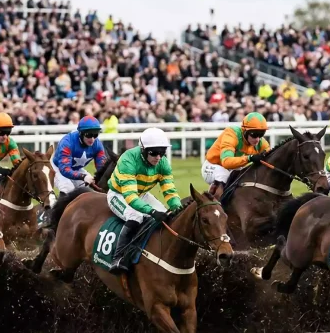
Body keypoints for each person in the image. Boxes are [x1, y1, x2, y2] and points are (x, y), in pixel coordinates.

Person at [106, 127, 183, 275]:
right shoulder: (128, 160)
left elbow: (169, 191)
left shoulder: (163, 163)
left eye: (162, 152)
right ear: (143, 150)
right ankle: (118, 258)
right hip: (119, 194)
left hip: (141, 194)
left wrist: (177, 207)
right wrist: (151, 211)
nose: (158, 157)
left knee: (166, 216)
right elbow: (130, 197)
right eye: (154, 153)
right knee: (136, 217)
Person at [201, 112, 271, 199]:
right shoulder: (231, 134)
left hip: (233, 169)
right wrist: (249, 158)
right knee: (224, 175)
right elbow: (226, 162)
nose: (257, 139)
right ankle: (210, 203)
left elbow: (272, 157)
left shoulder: (260, 142)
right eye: (254, 134)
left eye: (261, 134)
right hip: (213, 166)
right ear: (244, 131)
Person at [52, 116, 107, 194]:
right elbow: (65, 169)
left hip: (77, 169)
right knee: (68, 188)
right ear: (81, 133)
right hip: (58, 168)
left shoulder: (98, 145)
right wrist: (83, 176)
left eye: (95, 135)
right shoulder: (67, 143)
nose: (92, 139)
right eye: (88, 135)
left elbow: (102, 168)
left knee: (90, 189)